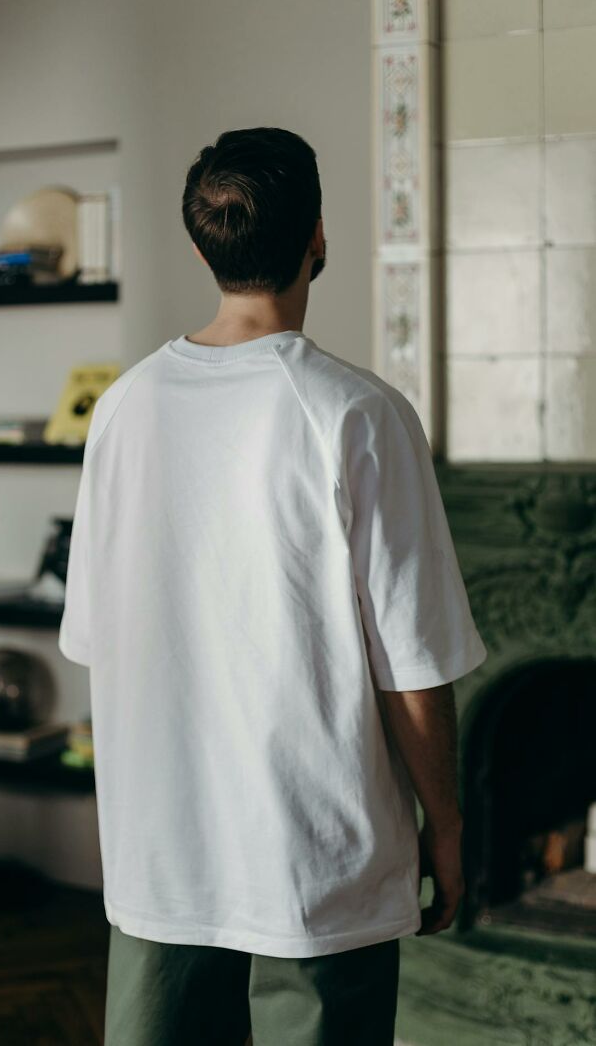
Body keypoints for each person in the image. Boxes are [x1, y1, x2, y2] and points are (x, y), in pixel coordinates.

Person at [58, 126, 488, 1046]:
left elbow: (99, 639)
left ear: (204, 244)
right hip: (318, 864)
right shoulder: (359, 413)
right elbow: (412, 665)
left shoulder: (122, 409)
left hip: (163, 861)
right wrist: (445, 829)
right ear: (317, 238)